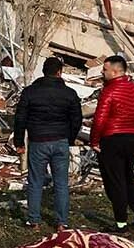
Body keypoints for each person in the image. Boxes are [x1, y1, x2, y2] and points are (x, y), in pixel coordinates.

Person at [13, 56, 82, 231]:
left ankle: (34, 221)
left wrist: (19, 141)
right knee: (61, 182)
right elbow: (77, 119)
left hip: (38, 141)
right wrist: (70, 138)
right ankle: (62, 222)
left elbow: (20, 118)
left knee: (35, 181)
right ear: (60, 72)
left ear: (43, 71)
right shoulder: (69, 93)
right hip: (60, 141)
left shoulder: (29, 92)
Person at [90, 55, 134, 233]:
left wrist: (94, 141)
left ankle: (121, 222)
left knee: (115, 181)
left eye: (105, 69)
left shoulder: (109, 91)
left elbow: (99, 119)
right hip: (131, 138)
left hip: (111, 138)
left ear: (115, 71)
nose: (102, 72)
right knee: (129, 177)